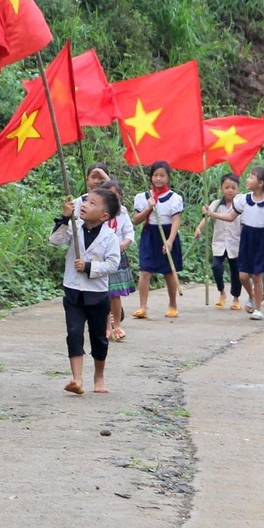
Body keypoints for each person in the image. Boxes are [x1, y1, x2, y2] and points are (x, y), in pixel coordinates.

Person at [50, 188, 121, 394]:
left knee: (98, 337)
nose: (84, 205)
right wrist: (64, 217)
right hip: (73, 290)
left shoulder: (110, 237)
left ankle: (99, 377)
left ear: (104, 216)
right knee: (74, 333)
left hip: (96, 294)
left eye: (92, 203)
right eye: (85, 201)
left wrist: (89, 267)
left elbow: (112, 264)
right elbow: (55, 241)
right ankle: (77, 379)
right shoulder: (74, 226)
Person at [203, 166, 264, 321]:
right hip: (246, 237)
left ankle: (258, 309)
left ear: (260, 183)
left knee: (258, 275)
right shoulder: (243, 200)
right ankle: (253, 296)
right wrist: (212, 214)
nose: (248, 179)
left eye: (251, 177)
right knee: (243, 276)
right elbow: (230, 216)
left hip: (262, 239)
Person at [131, 161, 184, 319]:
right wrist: (148, 208)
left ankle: (172, 305)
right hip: (149, 234)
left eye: (162, 175)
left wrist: (169, 241)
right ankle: (142, 307)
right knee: (145, 270)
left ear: (168, 177)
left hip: (167, 234)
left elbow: (176, 220)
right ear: (150, 177)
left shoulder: (174, 198)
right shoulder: (143, 197)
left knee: (168, 271)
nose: (158, 179)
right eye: (155, 175)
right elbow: (136, 220)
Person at [193, 173, 242, 309]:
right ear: (221, 188)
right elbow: (207, 218)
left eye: (233, 187)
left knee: (236, 272)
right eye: (227, 187)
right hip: (219, 243)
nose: (230, 190)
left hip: (235, 243)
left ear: (237, 189)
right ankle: (222, 293)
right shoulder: (215, 204)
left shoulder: (240, 204)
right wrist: (199, 228)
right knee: (216, 267)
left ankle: (236, 298)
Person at [100, 179, 135, 341]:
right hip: (101, 257)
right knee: (104, 293)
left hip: (118, 256)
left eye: (115, 195)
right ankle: (106, 326)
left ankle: (118, 325)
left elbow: (129, 233)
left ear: (120, 196)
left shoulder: (123, 213)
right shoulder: (99, 212)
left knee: (115, 294)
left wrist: (122, 245)